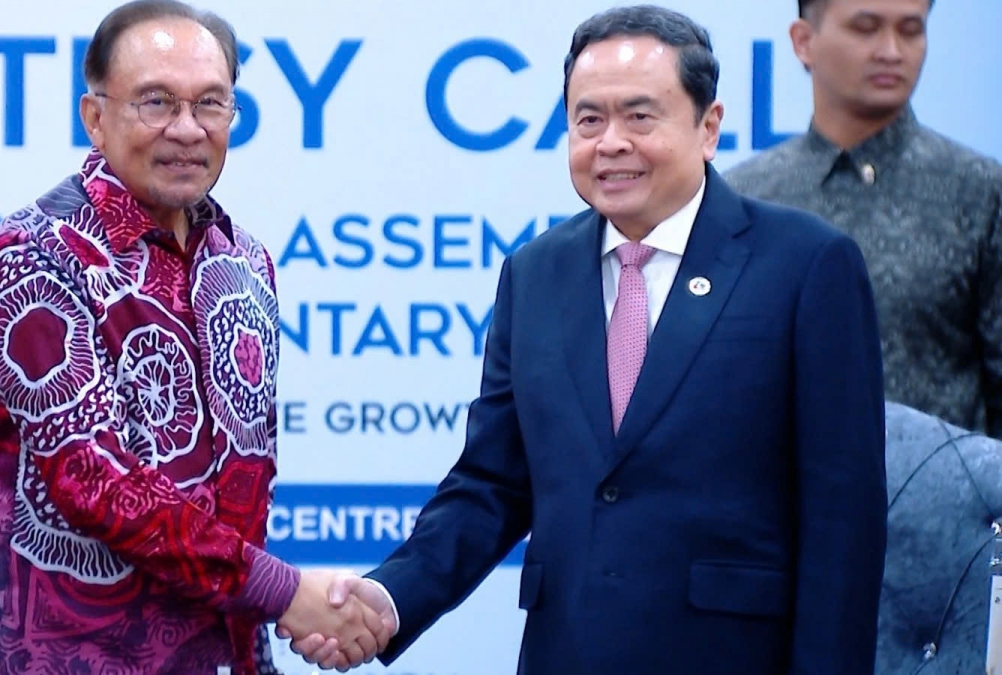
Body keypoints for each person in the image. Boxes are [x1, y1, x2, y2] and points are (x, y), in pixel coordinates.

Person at [283, 5, 888, 673]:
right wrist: (391, 596)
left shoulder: (805, 265)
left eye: (640, 116)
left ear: (708, 126)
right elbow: (492, 483)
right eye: (588, 119)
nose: (611, 142)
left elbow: (844, 521)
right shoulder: (535, 272)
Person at [0, 1, 389, 673]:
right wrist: (286, 591)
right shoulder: (35, 255)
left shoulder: (245, 264)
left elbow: (243, 496)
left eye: (211, 104)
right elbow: (95, 480)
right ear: (95, 117)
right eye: (156, 102)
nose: (187, 129)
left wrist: (274, 628)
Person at [724, 0, 1002, 438]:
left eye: (910, 30)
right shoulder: (742, 197)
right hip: (774, 498)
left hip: (946, 500)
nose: (891, 50)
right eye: (866, 28)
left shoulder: (981, 191)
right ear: (803, 41)